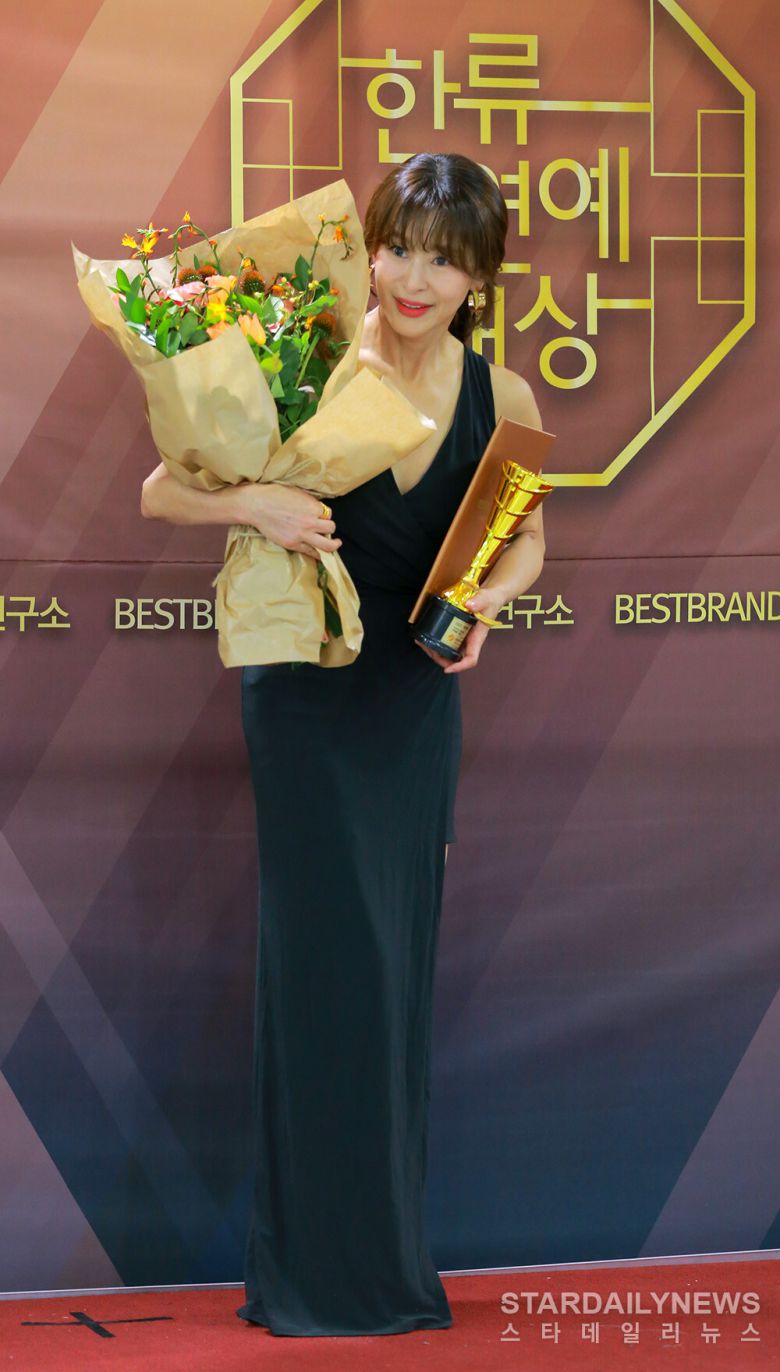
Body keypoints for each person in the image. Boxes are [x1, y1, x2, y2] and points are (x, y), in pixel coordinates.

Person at [140, 151, 545, 1337]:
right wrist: (252, 503)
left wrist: (491, 601)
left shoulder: (501, 393)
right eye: (399, 249)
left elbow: (525, 536)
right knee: (326, 973)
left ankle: (383, 1267)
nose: (414, 279)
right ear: (370, 249)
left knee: (393, 976)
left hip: (414, 707)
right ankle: (310, 1276)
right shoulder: (303, 360)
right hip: (308, 700)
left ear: (480, 278)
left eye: (445, 261)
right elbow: (161, 488)